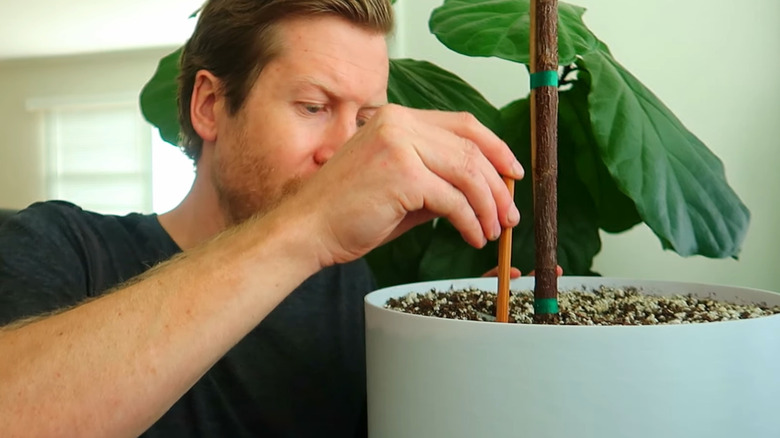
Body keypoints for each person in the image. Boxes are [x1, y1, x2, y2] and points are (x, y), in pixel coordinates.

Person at [0, 0, 526, 436]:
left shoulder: (351, 288)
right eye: (313, 106)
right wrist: (311, 226)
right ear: (209, 105)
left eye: (365, 120)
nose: (347, 152)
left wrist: (446, 371)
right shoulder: (62, 246)